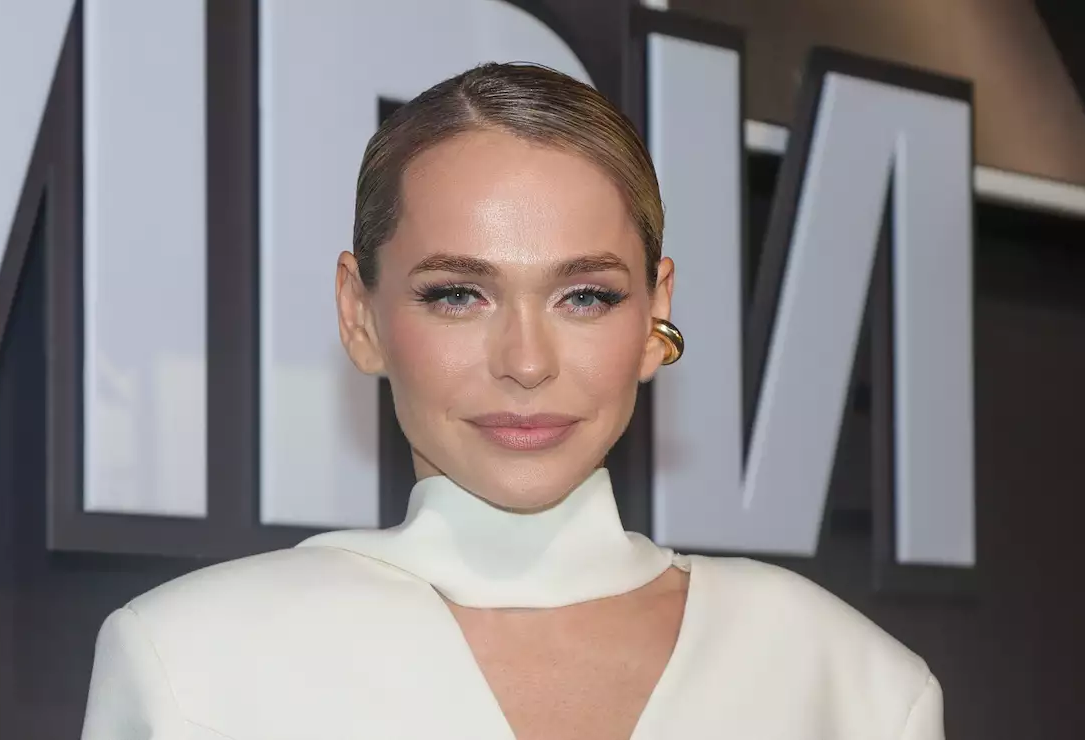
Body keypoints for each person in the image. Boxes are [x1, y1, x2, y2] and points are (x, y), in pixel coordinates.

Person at [80, 62, 944, 740]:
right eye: (458, 294)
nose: (526, 363)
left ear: (655, 315)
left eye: (585, 296)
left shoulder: (848, 681)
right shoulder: (192, 662)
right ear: (360, 315)